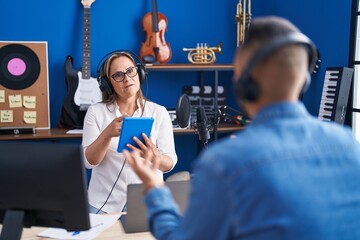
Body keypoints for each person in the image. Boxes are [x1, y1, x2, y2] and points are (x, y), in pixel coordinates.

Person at [123, 16, 360, 239]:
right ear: (304, 80)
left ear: (246, 84)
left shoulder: (224, 162)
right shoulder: (349, 144)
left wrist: (154, 189)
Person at [82, 51, 177, 214]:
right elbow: (89, 162)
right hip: (102, 205)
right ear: (107, 83)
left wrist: (155, 157)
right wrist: (107, 134)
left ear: (139, 73)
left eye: (130, 71)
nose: (127, 78)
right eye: (118, 75)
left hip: (145, 203)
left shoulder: (159, 112)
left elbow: (170, 163)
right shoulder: (96, 112)